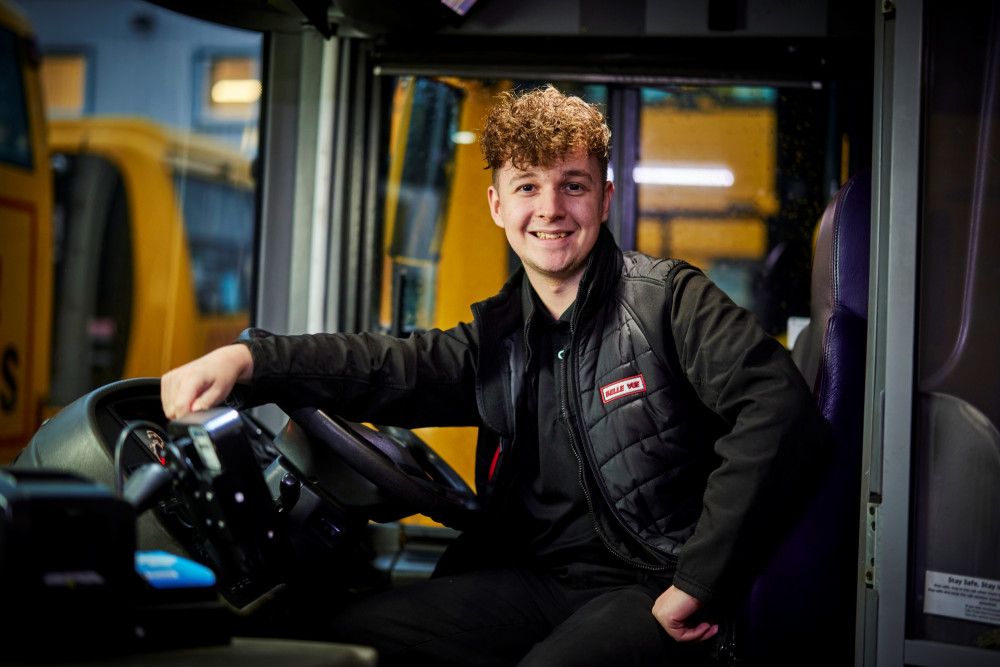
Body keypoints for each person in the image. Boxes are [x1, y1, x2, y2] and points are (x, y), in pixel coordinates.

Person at [161, 85, 829, 666]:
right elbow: (389, 363)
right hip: (537, 581)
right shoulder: (502, 335)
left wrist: (698, 578)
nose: (551, 209)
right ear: (495, 203)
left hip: (646, 584)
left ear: (604, 196)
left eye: (573, 184)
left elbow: (777, 409)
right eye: (527, 187)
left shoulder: (668, 300)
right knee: (342, 641)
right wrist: (249, 359)